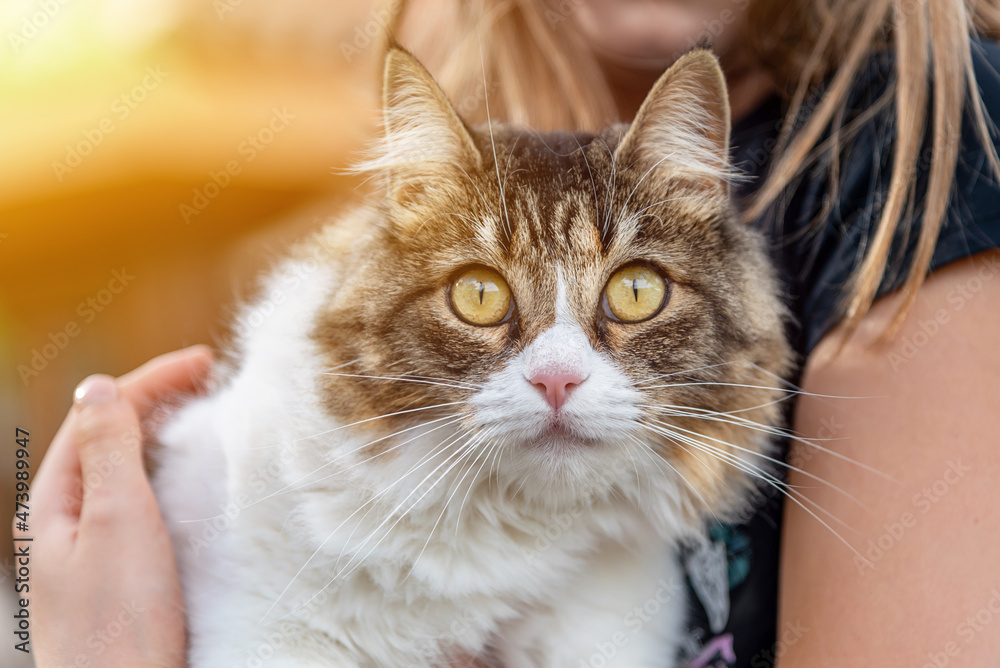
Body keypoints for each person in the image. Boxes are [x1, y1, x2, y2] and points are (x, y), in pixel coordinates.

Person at [27, 0, 1000, 665]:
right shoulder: (527, 145)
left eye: (630, 297)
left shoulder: (927, 157)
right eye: (489, 300)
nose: (559, 374)